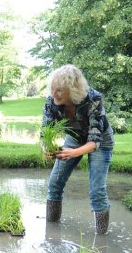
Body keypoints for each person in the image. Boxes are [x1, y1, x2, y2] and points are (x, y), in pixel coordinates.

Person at [42, 64, 114, 234]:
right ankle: (51, 233)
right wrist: (46, 148)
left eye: (59, 90)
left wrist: (73, 153)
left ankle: (101, 238)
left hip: (100, 142)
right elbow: (45, 133)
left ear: (73, 89)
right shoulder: (51, 102)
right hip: (74, 139)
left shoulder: (93, 99)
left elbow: (95, 142)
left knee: (97, 191)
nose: (54, 94)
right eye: (52, 89)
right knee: (54, 183)